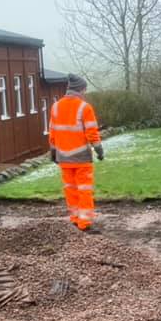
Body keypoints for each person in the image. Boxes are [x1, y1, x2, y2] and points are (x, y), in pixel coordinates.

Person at [49, 74, 104, 233]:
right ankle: (85, 223)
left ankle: (74, 219)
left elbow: (52, 132)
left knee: (70, 189)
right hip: (81, 158)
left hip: (63, 158)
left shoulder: (56, 107)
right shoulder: (84, 107)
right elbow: (92, 132)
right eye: (85, 89)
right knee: (84, 190)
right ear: (81, 89)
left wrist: (53, 151)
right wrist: (99, 150)